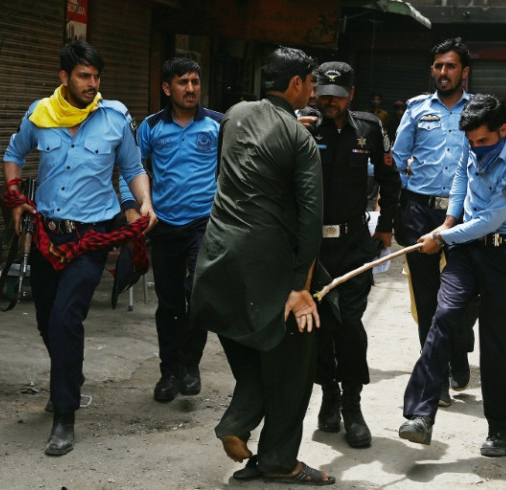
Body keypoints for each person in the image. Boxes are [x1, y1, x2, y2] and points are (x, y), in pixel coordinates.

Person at [2, 40, 157, 456]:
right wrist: (16, 197)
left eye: (96, 76)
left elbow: (132, 167)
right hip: (48, 235)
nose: (93, 84)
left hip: (92, 237)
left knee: (67, 317)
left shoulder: (114, 117)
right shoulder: (39, 114)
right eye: (84, 76)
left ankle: (64, 416)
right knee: (46, 319)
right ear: (64, 78)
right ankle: (66, 373)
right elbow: (13, 153)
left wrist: (144, 201)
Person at [189, 47, 335, 484]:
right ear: (295, 84)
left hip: (217, 261)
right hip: (269, 265)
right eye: (310, 83)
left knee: (254, 352)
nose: (313, 91)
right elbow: (312, 220)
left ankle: (238, 422)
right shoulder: (302, 141)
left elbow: (231, 171)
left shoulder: (233, 115)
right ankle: (277, 460)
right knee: (293, 367)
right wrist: (299, 286)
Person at [398, 94, 506, 457]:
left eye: (483, 141)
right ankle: (420, 416)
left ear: (502, 130)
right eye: (471, 141)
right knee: (443, 317)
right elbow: (461, 175)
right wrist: (449, 219)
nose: (475, 147)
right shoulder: (471, 138)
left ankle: (503, 430)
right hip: (466, 248)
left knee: (494, 344)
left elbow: (491, 219)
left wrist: (442, 236)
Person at [304, 61, 401, 448]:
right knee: (320, 328)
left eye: (337, 96)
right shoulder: (303, 125)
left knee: (350, 326)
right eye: (323, 95)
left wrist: (387, 225)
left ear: (351, 95)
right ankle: (328, 393)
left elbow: (390, 179)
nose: (329, 103)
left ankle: (353, 405)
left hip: (354, 242)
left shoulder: (370, 129)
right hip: (314, 247)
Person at [119, 57, 222, 403]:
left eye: (195, 81)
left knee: (199, 294)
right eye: (183, 82)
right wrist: (131, 207)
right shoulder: (150, 127)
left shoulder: (217, 125)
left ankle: (190, 366)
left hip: (204, 224)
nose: (191, 88)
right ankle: (169, 372)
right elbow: (129, 168)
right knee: (169, 302)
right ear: (167, 88)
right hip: (163, 226)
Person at [391, 37, 476, 407]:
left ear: (465, 71)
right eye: (438, 66)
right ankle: (435, 375)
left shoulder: (481, 110)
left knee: (463, 299)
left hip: (465, 216)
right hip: (421, 212)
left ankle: (458, 351)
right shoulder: (416, 110)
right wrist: (408, 200)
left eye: (451, 66)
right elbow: (397, 158)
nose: (443, 73)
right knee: (428, 301)